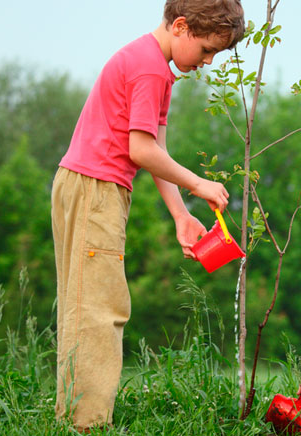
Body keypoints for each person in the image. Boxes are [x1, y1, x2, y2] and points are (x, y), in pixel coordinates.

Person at [51, 0, 244, 431]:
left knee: (83, 305)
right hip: (96, 189)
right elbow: (140, 151)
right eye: (207, 50)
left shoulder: (155, 67)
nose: (208, 62)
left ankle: (73, 418)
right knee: (100, 309)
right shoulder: (150, 69)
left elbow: (155, 150)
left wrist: (180, 214)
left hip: (86, 184)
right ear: (181, 27)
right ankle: (86, 424)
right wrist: (199, 184)